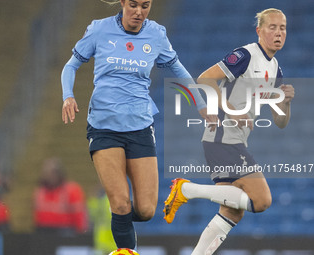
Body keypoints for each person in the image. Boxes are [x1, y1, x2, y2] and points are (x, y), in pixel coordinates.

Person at [61, 0, 215, 249]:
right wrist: (68, 95)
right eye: (133, 5)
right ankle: (126, 248)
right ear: (122, 3)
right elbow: (71, 65)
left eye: (145, 6)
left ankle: (118, 220)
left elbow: (178, 68)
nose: (139, 12)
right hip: (104, 127)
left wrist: (201, 104)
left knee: (145, 210)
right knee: (121, 203)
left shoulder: (155, 34)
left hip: (140, 127)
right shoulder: (99, 30)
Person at [163, 8, 295, 254]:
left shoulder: (275, 69)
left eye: (282, 28)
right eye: (272, 27)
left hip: (235, 141)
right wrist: (233, 111)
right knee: (262, 200)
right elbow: (204, 79)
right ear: (259, 31)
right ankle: (186, 189)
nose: (278, 33)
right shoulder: (245, 55)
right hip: (221, 137)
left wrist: (285, 103)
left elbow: (280, 121)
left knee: (233, 211)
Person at [33, 157, 88, 235]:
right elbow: (37, 217)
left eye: (52, 172)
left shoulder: (71, 191)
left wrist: (80, 235)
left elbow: (79, 216)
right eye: (45, 172)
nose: (48, 176)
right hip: (44, 233)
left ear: (59, 173)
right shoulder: (40, 192)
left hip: (66, 233)